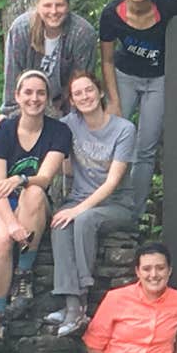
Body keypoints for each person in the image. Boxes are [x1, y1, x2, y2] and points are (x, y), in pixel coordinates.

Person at [0, 69, 73, 349]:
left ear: (48, 97)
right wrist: (11, 225)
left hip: (31, 202)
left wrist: (21, 178)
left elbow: (46, 176)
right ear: (17, 96)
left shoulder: (59, 131)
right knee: (2, 240)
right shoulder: (2, 130)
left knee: (34, 191)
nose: (34, 98)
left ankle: (24, 276)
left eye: (40, 92)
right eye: (27, 92)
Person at [97, 0, 177, 220]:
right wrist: (113, 100)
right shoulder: (111, 15)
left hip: (158, 79)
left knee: (145, 147)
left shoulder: (166, 6)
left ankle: (132, 216)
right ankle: (107, 204)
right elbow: (107, 60)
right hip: (124, 76)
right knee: (114, 139)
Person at [47, 70, 138, 337]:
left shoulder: (123, 129)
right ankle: (71, 306)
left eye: (89, 90)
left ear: (99, 92)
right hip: (79, 199)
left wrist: (77, 209)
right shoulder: (68, 125)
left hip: (116, 204)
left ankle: (82, 296)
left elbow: (112, 183)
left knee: (81, 218)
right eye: (77, 93)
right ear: (72, 101)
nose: (84, 96)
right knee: (60, 222)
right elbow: (35, 127)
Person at [0, 0, 98, 122]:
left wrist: (70, 122)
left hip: (67, 110)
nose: (53, 11)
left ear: (68, 6)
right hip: (28, 105)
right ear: (37, 6)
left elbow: (81, 84)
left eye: (59, 5)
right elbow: (13, 79)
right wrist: (10, 118)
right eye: (47, 5)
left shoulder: (83, 33)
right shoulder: (21, 30)